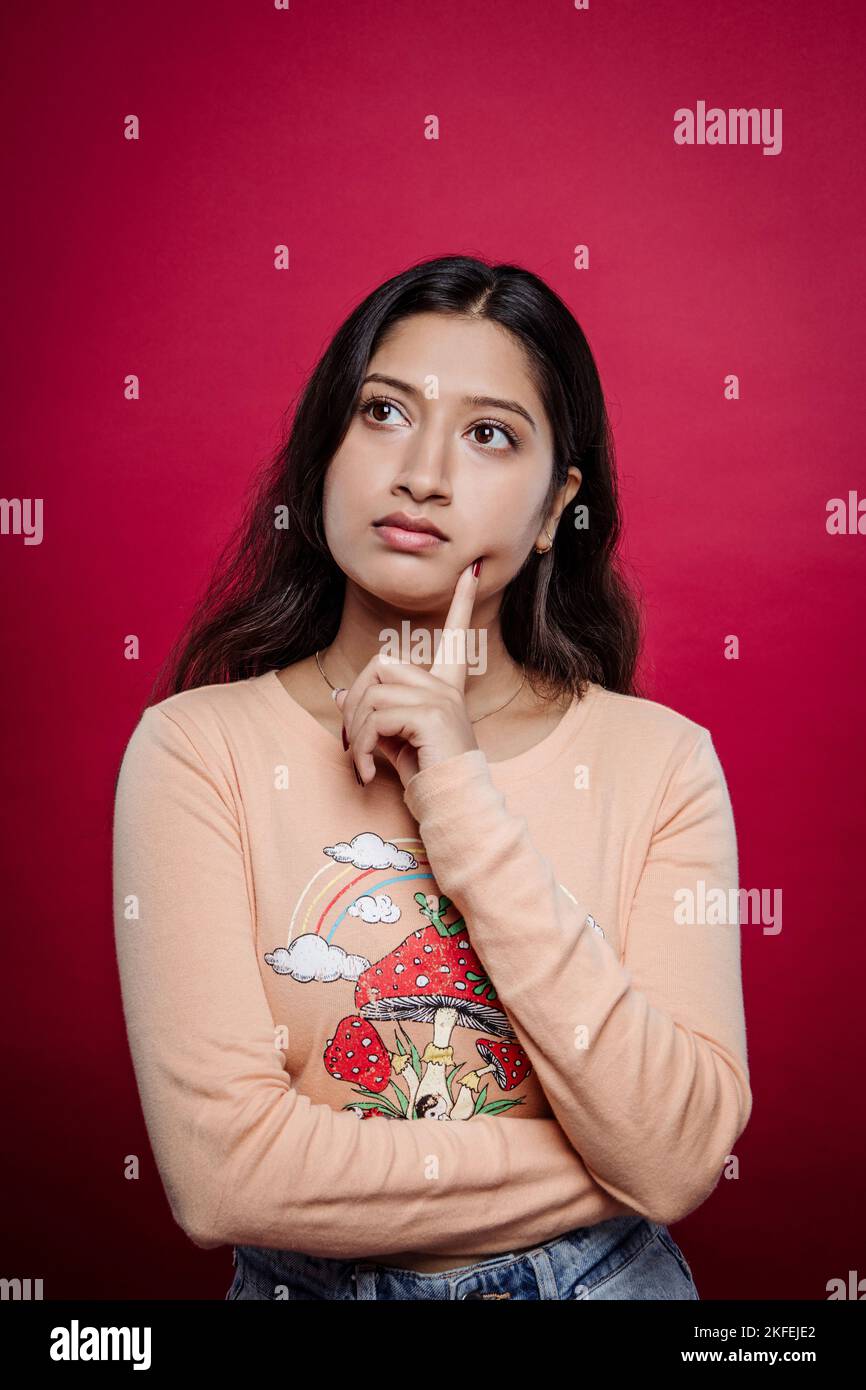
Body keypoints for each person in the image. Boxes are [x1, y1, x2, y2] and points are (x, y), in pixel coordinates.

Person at [112, 254, 751, 1301]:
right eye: (383, 413)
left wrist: (450, 781)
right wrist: (608, 1166)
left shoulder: (659, 763)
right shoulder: (196, 751)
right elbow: (224, 1177)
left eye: (489, 433)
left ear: (555, 509)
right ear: (327, 447)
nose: (421, 472)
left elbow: (676, 1151)